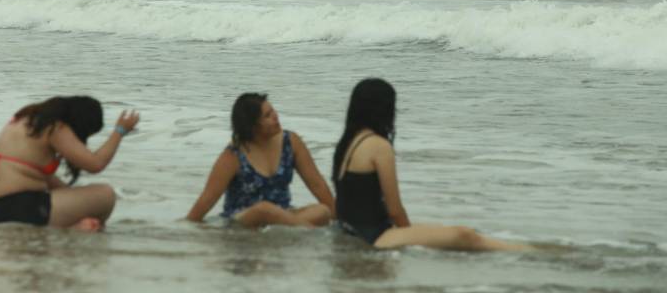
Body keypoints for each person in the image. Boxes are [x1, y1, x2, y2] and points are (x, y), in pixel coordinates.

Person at [333, 78, 530, 251]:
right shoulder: (378, 145)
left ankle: (520, 249)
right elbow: (395, 210)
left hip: (353, 230)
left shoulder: (350, 142)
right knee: (466, 235)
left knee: (447, 231)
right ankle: (527, 253)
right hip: (374, 236)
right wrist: (408, 237)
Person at [0, 96, 140, 231]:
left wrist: (76, 201)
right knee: (106, 194)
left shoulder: (27, 120)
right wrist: (119, 131)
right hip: (18, 210)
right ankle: (77, 230)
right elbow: (95, 164)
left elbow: (44, 178)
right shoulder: (55, 127)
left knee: (84, 199)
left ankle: (73, 229)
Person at [187, 93, 334, 228]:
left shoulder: (291, 142)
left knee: (322, 211)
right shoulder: (233, 155)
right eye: (267, 115)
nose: (275, 116)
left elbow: (318, 185)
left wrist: (340, 222)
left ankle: (292, 228)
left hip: (284, 215)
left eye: (273, 111)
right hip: (243, 221)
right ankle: (305, 229)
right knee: (264, 209)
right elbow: (205, 201)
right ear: (252, 126)